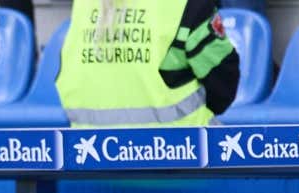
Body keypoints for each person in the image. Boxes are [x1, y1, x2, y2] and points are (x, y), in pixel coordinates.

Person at [56, 0, 240, 127]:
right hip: (179, 154)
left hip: (90, 160)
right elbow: (223, 81)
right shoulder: (184, 3)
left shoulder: (84, 4)